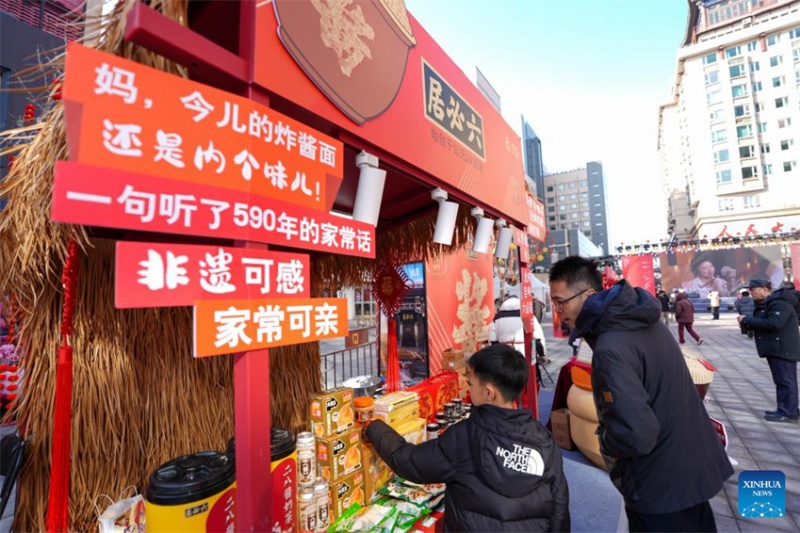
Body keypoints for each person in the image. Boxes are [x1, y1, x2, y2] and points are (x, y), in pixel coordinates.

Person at [549, 256, 731, 532]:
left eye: (561, 301)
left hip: (660, 482)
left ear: (588, 294)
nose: (558, 310)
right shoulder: (642, 320)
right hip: (690, 466)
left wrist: (606, 445)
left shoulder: (611, 346)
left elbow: (634, 434)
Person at [366, 344, 571, 531]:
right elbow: (560, 505)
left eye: (471, 383)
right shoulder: (544, 439)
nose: (469, 389)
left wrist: (373, 427)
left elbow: (410, 462)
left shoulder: (465, 435)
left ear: (489, 392)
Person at [738, 279, 800, 422]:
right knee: (781, 380)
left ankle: (788, 412)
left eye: (753, 289)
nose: (751, 293)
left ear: (765, 289)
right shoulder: (768, 303)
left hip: (783, 349)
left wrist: (748, 319)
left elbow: (774, 323)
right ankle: (785, 409)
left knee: (786, 381)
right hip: (776, 348)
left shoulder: (779, 303)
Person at [489, 296, 548, 365]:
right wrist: (542, 354)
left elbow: (493, 340)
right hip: (525, 353)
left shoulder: (497, 318)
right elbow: (538, 337)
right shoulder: (527, 316)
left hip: (504, 354)